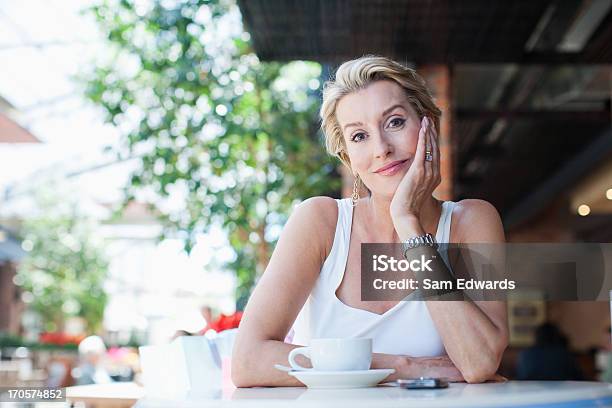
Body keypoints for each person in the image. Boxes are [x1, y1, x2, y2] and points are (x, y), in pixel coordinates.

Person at [232, 55, 508, 387]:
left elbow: (478, 363)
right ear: (348, 156)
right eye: (359, 136)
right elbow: (247, 360)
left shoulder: (472, 221)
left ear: (427, 125)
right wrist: (404, 366)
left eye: (394, 122)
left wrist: (408, 223)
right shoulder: (320, 222)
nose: (381, 149)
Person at [516, 323, 583, 380]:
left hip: (531, 392)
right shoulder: (562, 353)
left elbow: (521, 377)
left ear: (537, 336)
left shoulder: (526, 354)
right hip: (560, 392)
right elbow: (578, 377)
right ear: (556, 336)